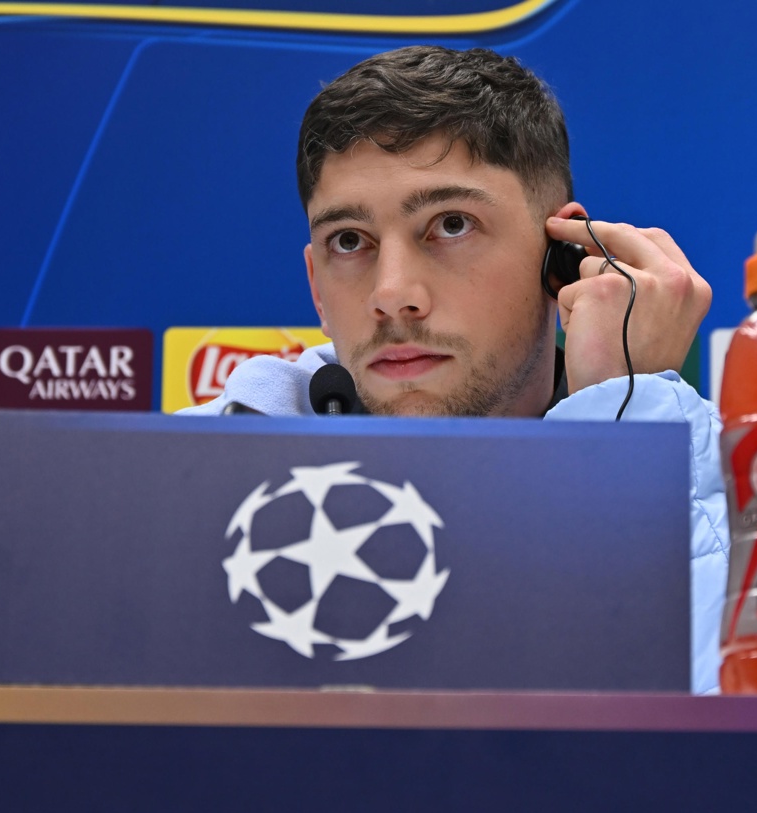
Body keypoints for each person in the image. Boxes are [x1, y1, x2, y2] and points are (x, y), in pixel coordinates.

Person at [180, 45, 729, 693]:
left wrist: (628, 424)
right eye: (349, 240)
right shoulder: (175, 479)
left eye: (450, 224)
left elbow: (718, 740)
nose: (392, 294)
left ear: (564, 257)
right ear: (316, 289)